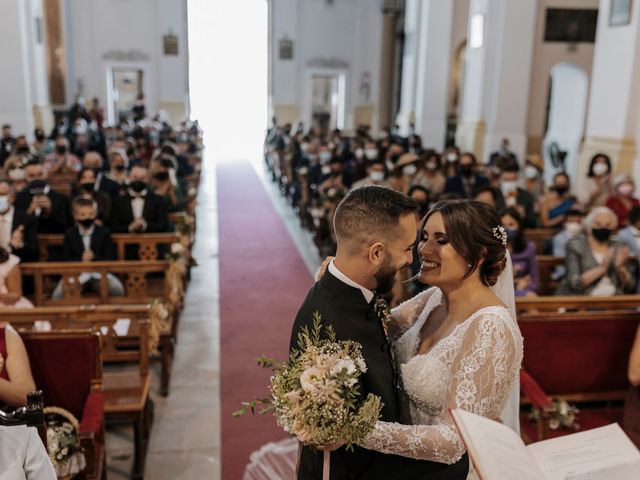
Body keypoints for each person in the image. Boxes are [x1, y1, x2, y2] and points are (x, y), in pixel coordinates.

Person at [290, 186, 469, 479]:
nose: (411, 259)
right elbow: (334, 439)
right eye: (406, 248)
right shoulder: (327, 327)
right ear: (376, 253)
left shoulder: (352, 291)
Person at [359, 200, 522, 468]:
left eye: (441, 240)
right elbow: (374, 327)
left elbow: (454, 440)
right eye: (424, 238)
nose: (424, 249)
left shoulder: (491, 328)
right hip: (408, 467)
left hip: (451, 471)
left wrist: (358, 431)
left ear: (478, 254)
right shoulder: (433, 299)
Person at [52, 198, 124, 299]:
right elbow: (65, 258)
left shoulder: (104, 233)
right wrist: (81, 259)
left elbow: (110, 258)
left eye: (91, 214)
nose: (87, 217)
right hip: (77, 274)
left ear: (95, 214)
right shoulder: (70, 234)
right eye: (83, 215)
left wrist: (94, 257)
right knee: (57, 295)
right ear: (75, 216)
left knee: (117, 290)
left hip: (99, 273)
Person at [556, 206, 634, 295]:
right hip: (584, 300)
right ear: (590, 226)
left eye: (608, 225)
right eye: (598, 224)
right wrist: (602, 268)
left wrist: (620, 269)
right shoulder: (576, 246)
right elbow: (575, 284)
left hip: (613, 300)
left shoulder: (618, 247)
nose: (603, 228)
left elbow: (630, 286)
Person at [14, 161, 71, 234]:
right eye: (32, 176)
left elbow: (67, 227)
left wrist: (50, 211)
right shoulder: (18, 198)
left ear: (46, 174)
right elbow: (15, 227)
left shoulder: (62, 198)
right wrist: (29, 212)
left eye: (40, 174)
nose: (37, 178)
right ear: (25, 177)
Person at [111, 165, 169, 233]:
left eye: (142, 178)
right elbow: (113, 226)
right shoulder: (118, 201)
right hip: (125, 242)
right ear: (129, 177)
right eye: (135, 177)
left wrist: (145, 225)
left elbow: (163, 225)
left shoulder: (159, 200)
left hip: (151, 241)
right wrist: (130, 227)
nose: (138, 180)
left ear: (147, 179)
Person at [501, 208, 539, 296]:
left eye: (511, 224)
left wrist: (520, 288)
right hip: (500, 294)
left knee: (531, 297)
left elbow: (535, 283)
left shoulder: (529, 248)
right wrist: (516, 283)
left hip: (523, 291)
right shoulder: (493, 250)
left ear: (519, 226)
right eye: (503, 225)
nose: (507, 229)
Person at [0, 181, 38, 263]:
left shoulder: (26, 220)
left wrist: (20, 245)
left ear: (12, 197)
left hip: (17, 266)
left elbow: (34, 253)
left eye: (2, 194)